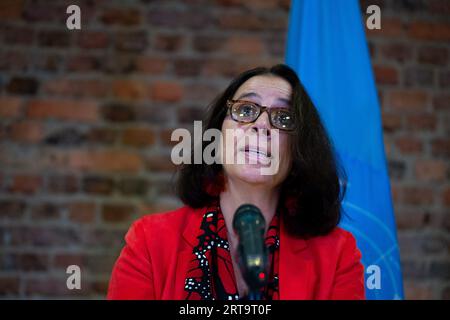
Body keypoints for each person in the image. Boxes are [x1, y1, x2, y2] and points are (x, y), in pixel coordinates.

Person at [107, 64, 365, 300]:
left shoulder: (338, 256)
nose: (261, 125)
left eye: (283, 117)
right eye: (245, 110)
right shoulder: (149, 242)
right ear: (218, 137)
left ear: (300, 152)